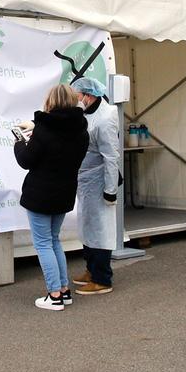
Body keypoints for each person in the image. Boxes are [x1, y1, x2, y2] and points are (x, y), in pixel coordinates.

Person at [14, 83, 90, 311]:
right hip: (65, 192)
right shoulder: (81, 131)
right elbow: (58, 131)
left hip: (40, 194)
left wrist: (19, 142)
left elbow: (26, 160)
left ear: (50, 102)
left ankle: (54, 294)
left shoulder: (44, 130)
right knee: (54, 240)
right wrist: (36, 128)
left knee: (43, 243)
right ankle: (63, 290)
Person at [68, 77, 120, 295]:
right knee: (88, 226)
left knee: (100, 229)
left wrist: (110, 190)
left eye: (77, 97)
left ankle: (102, 279)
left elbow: (111, 156)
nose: (75, 101)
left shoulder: (106, 118)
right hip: (86, 179)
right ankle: (91, 270)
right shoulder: (87, 114)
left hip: (99, 180)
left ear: (87, 96)